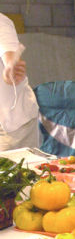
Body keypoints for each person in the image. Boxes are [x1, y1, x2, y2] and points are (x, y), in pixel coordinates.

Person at [0, 13, 40, 151]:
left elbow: (9, 55)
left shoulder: (2, 23)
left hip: (12, 125)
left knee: (13, 172)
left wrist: (11, 68)